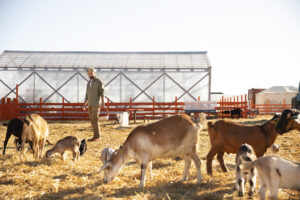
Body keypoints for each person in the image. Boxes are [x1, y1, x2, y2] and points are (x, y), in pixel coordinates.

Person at [83, 67, 105, 142]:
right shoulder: (89, 83)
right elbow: (87, 94)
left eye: (91, 73)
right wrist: (84, 104)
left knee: (95, 119)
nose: (90, 74)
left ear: (94, 73)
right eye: (89, 73)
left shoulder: (99, 81)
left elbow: (102, 92)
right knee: (92, 120)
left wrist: (103, 102)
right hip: (90, 104)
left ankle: (98, 136)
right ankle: (95, 136)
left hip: (96, 104)